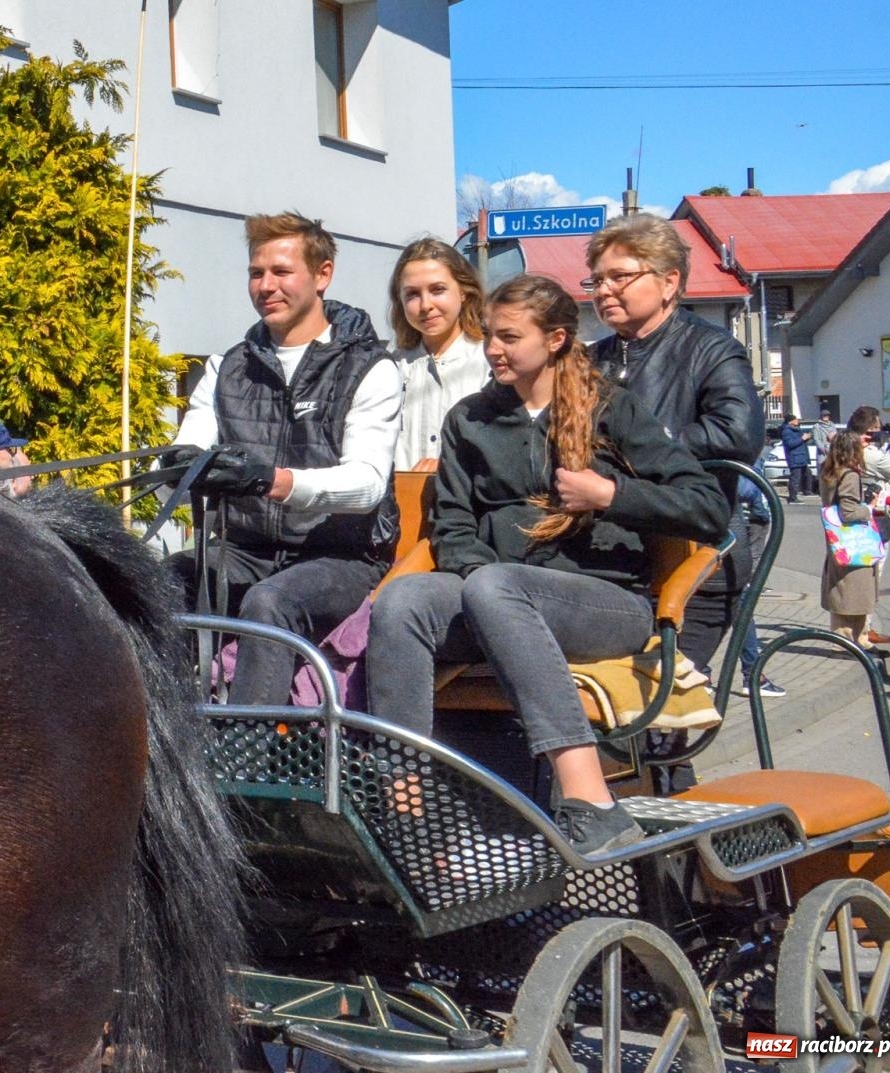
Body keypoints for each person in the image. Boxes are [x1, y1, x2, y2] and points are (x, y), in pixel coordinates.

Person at [365, 275, 728, 854]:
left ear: (557, 339)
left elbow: (707, 508)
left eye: (509, 337)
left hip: (606, 603)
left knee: (495, 586)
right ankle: (405, 807)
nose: (492, 349)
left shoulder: (611, 409)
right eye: (489, 336)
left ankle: (592, 800)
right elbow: (453, 528)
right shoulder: (471, 420)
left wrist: (611, 496)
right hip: (500, 598)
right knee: (404, 600)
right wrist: (480, 575)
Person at [168, 211, 403, 708]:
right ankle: (167, 741)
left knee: (270, 601)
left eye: (281, 272)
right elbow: (189, 450)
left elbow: (366, 486)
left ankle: (246, 768)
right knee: (159, 581)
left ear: (323, 275)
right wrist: (182, 467)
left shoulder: (370, 368)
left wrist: (274, 481)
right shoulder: (226, 366)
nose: (265, 285)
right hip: (244, 549)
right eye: (256, 273)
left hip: (340, 556)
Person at [585, 213, 764, 793]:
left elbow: (738, 433)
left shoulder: (712, 350)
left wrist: (636, 448)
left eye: (619, 276)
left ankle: (684, 864)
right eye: (596, 279)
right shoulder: (590, 360)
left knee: (658, 721)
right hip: (611, 559)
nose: (604, 289)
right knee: (613, 724)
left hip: (696, 561)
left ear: (668, 281)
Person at [387, 237, 490, 470]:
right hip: (402, 502)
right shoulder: (390, 367)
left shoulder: (491, 362)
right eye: (412, 294)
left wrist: (448, 468)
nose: (425, 305)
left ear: (464, 291)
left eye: (438, 290)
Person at [848, 405, 890, 647]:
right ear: (869, 430)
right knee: (873, 576)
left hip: (854, 518)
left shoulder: (845, 449)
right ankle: (864, 630)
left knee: (855, 576)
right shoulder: (870, 454)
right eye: (876, 428)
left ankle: (854, 629)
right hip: (874, 517)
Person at [819, 424, 879, 646]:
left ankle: (842, 639)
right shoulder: (850, 475)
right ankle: (854, 641)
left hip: (837, 540)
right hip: (853, 541)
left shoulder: (828, 471)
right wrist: (870, 508)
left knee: (841, 589)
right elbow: (849, 511)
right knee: (856, 591)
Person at [729, 476, 785, 698]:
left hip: (719, 534)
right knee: (741, 608)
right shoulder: (727, 454)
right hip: (729, 536)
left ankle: (702, 674)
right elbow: (749, 488)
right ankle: (753, 676)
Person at [780, 414, 815, 502]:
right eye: (795, 419)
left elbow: (801, 440)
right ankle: (793, 497)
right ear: (790, 421)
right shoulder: (787, 431)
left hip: (801, 456)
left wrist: (807, 437)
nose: (797, 421)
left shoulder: (797, 429)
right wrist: (802, 439)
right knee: (795, 478)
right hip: (794, 457)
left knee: (807, 473)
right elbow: (790, 444)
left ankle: (807, 491)